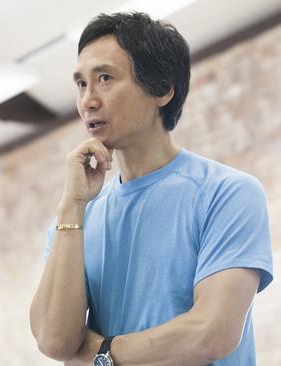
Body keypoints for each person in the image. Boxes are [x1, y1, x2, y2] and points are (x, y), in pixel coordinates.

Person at [30, 12, 273, 365]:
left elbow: (210, 334)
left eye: (105, 78)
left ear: (162, 89)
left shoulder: (227, 193)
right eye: (82, 84)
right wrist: (72, 205)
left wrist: (100, 354)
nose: (88, 101)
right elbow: (54, 341)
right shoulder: (76, 218)